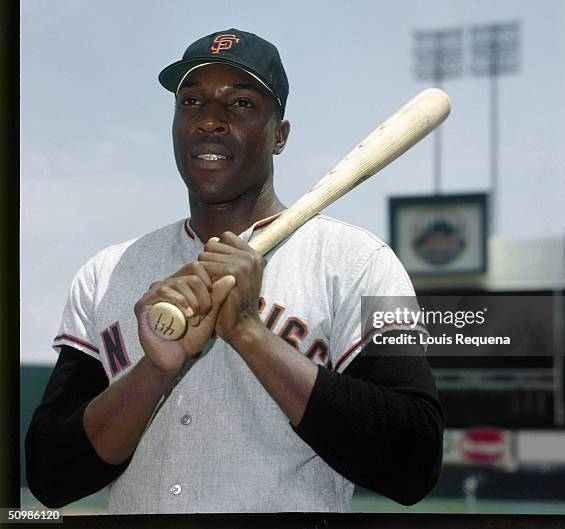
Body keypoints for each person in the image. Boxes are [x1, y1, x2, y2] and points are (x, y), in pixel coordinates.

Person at [25, 28, 443, 514]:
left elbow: (413, 463)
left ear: (279, 135)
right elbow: (52, 477)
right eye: (192, 102)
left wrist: (248, 333)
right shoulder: (106, 273)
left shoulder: (360, 262)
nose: (210, 121)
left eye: (241, 104)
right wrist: (156, 370)